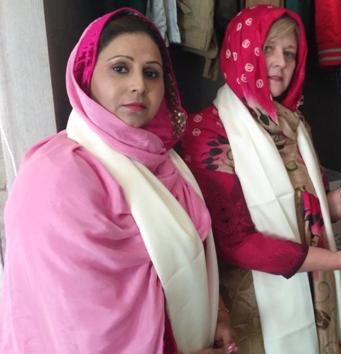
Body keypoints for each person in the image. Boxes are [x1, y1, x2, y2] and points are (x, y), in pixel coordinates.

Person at [0, 8, 235, 354]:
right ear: (86, 75)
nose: (139, 84)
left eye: (151, 73)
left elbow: (192, 258)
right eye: (120, 68)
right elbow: (76, 329)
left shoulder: (163, 161)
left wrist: (217, 313)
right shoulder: (56, 176)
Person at [180, 6, 341, 354]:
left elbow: (307, 215)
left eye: (290, 53)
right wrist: (336, 261)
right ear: (241, 51)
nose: (281, 62)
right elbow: (236, 243)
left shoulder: (293, 124)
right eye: (267, 48)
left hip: (317, 292)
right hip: (256, 306)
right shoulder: (206, 131)